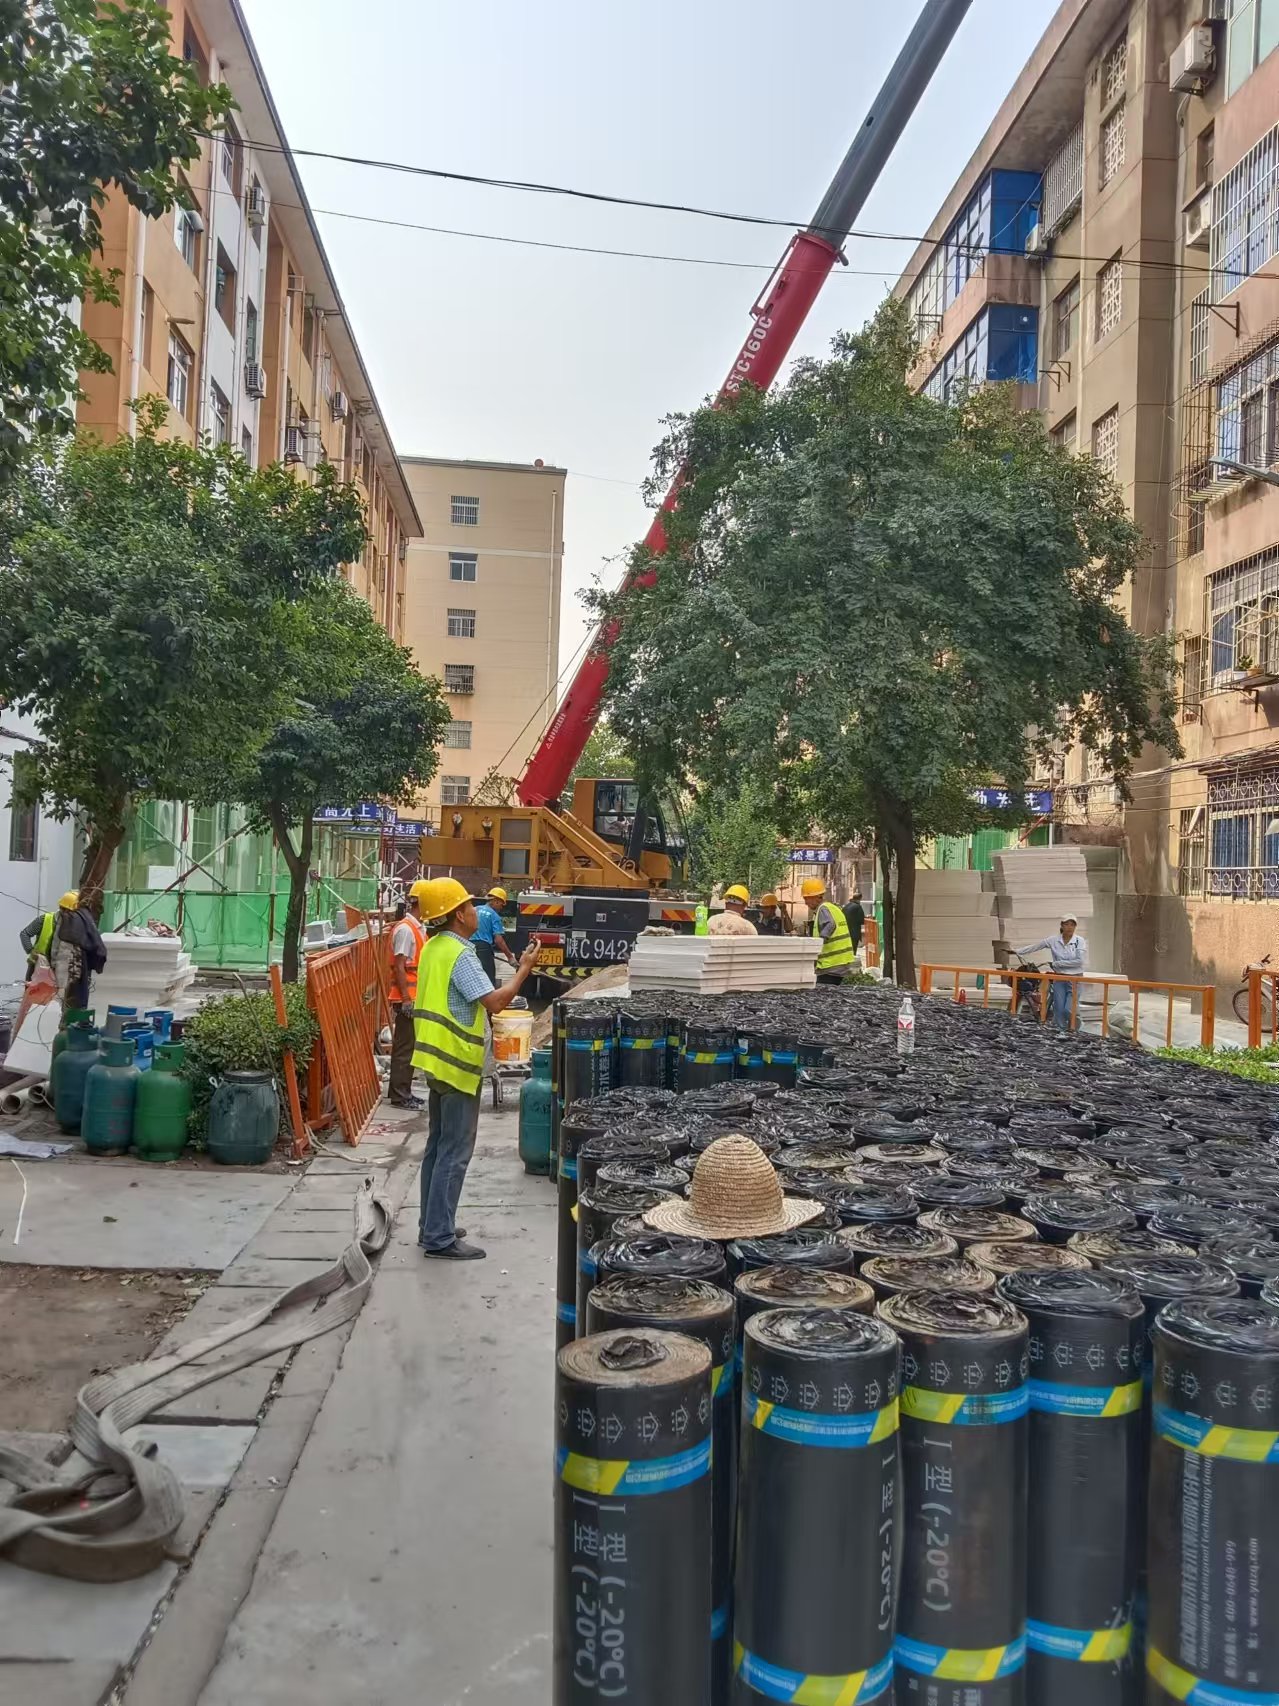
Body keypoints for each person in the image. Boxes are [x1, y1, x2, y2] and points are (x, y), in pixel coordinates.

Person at [413, 877, 540, 1261]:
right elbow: (497, 1002)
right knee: (455, 1150)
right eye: (469, 906)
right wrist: (525, 968)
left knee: (437, 1146)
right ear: (456, 915)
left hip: (433, 1060)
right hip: (456, 1064)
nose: (475, 910)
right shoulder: (461, 955)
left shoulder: (434, 947)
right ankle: (439, 1236)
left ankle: (432, 1223)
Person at [386, 885, 427, 1110]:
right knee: (404, 1048)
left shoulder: (417, 928)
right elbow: (400, 966)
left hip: (413, 997)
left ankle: (404, 1092)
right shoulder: (406, 930)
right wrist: (405, 999)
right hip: (407, 999)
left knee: (409, 1048)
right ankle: (400, 1095)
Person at [1017, 914, 1087, 1029]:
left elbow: (1079, 961)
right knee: (1058, 1009)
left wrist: (1056, 964)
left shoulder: (1079, 941)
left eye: (1072, 925)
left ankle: (1076, 1030)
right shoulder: (1053, 940)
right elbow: (1036, 946)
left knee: (1069, 1009)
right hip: (1059, 978)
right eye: (1067, 924)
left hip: (1075, 978)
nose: (1069, 927)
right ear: (1062, 926)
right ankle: (1062, 1033)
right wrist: (1017, 951)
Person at [803, 876, 854, 984]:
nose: (805, 903)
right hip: (839, 964)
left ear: (816, 897)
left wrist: (818, 944)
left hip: (830, 966)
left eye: (806, 898)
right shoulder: (833, 908)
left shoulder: (823, 909)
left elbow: (830, 925)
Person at [470, 885, 515, 984]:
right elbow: (498, 940)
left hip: (467, 948)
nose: (501, 907)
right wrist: (510, 957)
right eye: (501, 904)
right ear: (496, 901)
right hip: (483, 950)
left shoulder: (474, 909)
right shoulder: (494, 916)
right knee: (488, 981)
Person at [19, 902, 60, 984]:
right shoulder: (45, 919)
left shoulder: (71, 925)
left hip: (56, 968)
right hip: (37, 965)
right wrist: (31, 950)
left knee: (49, 995)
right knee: (33, 994)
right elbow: (25, 934)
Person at [842, 890, 866, 954]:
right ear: (859, 899)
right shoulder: (858, 907)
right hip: (854, 933)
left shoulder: (846, 906)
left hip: (845, 931)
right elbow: (862, 920)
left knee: (847, 950)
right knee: (853, 950)